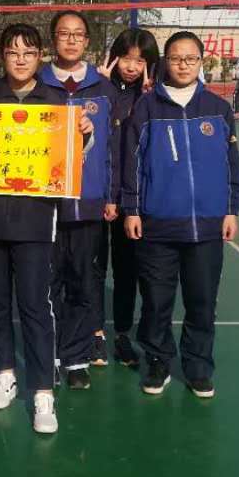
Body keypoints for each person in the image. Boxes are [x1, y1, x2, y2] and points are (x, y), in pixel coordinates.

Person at [0, 23, 94, 434]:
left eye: (29, 52)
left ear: (40, 56)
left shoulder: (57, 102)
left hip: (35, 220)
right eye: (13, 52)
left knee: (35, 306)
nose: (21, 60)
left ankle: (43, 391)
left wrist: (85, 134)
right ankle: (5, 374)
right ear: (2, 56)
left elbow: (72, 156)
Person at [122, 31, 239, 398]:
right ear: (165, 62)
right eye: (176, 58)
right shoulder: (146, 108)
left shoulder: (218, 109)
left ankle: (197, 367)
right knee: (156, 303)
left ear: (201, 62)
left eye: (191, 58)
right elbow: (131, 164)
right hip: (158, 225)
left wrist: (231, 210)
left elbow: (231, 164)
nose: (183, 65)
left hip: (207, 227)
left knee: (202, 302)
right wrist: (132, 209)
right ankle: (158, 361)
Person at [39, 10, 119, 385]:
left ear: (87, 41)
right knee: (47, 283)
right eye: (63, 33)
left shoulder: (104, 90)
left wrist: (111, 195)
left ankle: (75, 358)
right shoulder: (36, 85)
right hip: (45, 204)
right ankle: (50, 354)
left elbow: (114, 149)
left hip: (88, 203)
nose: (71, 40)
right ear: (53, 39)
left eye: (78, 34)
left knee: (83, 282)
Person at [98, 27, 159, 368]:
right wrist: (100, 88)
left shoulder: (154, 97)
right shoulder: (101, 90)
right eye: (126, 58)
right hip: (100, 195)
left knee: (128, 272)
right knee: (92, 270)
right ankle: (92, 333)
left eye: (141, 60)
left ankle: (123, 334)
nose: (132, 67)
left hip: (135, 201)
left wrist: (152, 96)